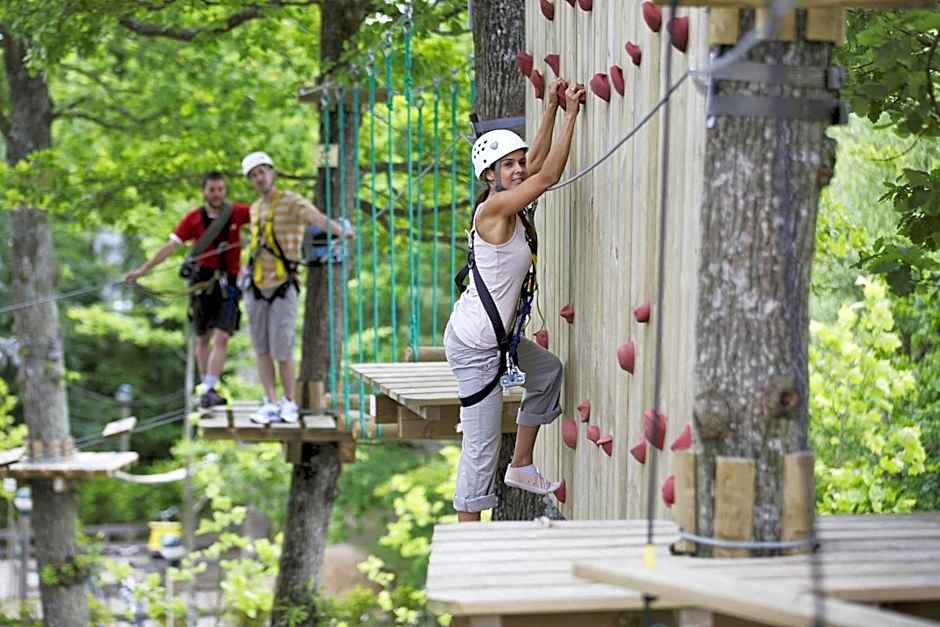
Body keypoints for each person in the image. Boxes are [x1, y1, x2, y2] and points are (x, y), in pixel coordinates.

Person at [444, 79, 585, 522]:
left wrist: (547, 111)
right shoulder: (495, 210)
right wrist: (571, 115)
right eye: (508, 166)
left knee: (547, 372)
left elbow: (536, 162)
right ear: (490, 176)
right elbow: (547, 175)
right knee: (481, 450)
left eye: (518, 162)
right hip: (476, 347)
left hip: (498, 338)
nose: (518, 169)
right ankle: (467, 538)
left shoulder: (508, 198)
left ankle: (521, 465)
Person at [240, 151, 354, 424]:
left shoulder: (291, 201)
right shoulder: (255, 208)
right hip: (255, 285)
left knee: (283, 346)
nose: (259, 178)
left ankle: (289, 402)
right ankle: (270, 401)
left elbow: (314, 217)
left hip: (283, 284)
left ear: (272, 172)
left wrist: (340, 230)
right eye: (254, 175)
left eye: (262, 172)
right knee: (262, 348)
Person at [126, 172, 250, 409]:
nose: (217, 194)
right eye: (212, 190)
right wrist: (143, 270)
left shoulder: (237, 213)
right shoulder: (193, 219)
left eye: (220, 189)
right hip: (202, 282)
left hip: (229, 282)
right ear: (204, 192)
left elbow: (265, 215)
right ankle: (207, 388)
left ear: (225, 191)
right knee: (203, 337)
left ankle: (211, 387)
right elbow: (170, 247)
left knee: (223, 334)